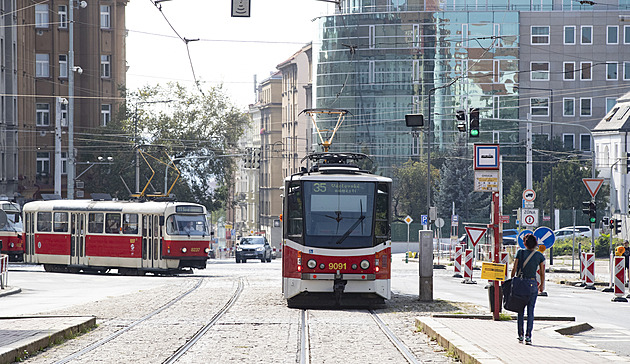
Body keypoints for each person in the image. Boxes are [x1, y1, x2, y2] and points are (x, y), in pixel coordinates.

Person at [510, 233, 545, 345]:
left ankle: (520, 335)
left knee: (520, 310)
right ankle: (528, 336)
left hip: (521, 283)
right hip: (532, 284)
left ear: (524, 243)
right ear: (535, 244)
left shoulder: (520, 252)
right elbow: (542, 273)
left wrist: (512, 280)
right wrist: (541, 285)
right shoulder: (539, 256)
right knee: (531, 311)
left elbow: (514, 268)